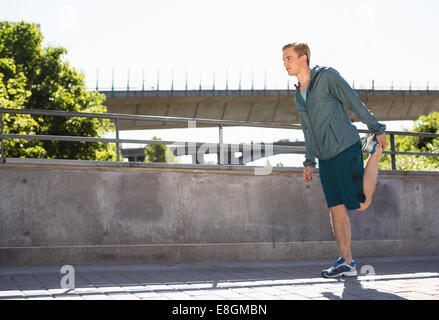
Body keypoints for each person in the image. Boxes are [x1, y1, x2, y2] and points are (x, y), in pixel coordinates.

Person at [282, 42, 386, 278]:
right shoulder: (299, 95)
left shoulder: (327, 77)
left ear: (303, 58)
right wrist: (309, 161)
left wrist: (376, 127)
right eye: (283, 60)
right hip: (325, 157)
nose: (285, 64)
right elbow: (306, 129)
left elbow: (352, 101)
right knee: (336, 209)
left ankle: (374, 153)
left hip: (344, 147)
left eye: (289, 58)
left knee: (361, 203)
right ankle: (346, 262)